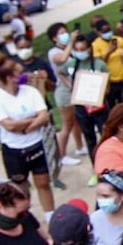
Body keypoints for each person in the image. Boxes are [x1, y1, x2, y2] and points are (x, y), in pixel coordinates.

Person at [0, 53, 56, 215]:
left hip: (37, 144)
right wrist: (32, 120)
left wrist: (24, 128)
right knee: (19, 188)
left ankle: (50, 216)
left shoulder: (30, 91)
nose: (25, 76)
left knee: (43, 183)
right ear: (10, 78)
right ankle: (24, 216)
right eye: (20, 73)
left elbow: (44, 116)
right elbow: (8, 125)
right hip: (14, 151)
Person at [62, 33, 107, 164]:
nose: (80, 53)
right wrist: (71, 86)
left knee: (105, 135)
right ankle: (96, 167)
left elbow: (107, 87)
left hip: (99, 106)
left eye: (83, 50)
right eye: (77, 50)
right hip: (81, 107)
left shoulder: (99, 64)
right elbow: (61, 73)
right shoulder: (71, 64)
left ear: (89, 49)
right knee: (90, 139)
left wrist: (99, 93)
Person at [47, 23, 82, 169]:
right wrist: (72, 42)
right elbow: (61, 59)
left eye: (65, 31)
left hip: (75, 87)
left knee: (77, 121)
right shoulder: (53, 52)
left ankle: (80, 147)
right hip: (63, 91)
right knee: (67, 124)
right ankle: (62, 155)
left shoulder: (70, 49)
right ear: (54, 38)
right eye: (61, 33)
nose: (65, 34)